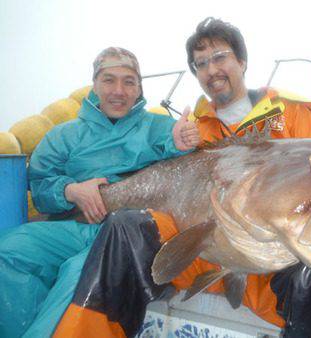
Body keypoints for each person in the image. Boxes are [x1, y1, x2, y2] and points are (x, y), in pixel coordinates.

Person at [156, 17, 311, 337]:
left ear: (242, 61)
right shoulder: (193, 133)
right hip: (215, 264)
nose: (211, 70)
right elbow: (175, 200)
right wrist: (174, 146)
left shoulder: (290, 113)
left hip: (285, 268)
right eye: (201, 64)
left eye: (220, 57)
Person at [0, 47, 200, 338]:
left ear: (139, 87)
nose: (119, 91)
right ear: (94, 84)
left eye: (129, 81)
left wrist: (183, 142)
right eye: (109, 80)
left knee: (78, 274)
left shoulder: (160, 128)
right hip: (73, 229)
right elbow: (41, 185)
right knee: (9, 251)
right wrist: (71, 190)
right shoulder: (63, 135)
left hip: (126, 238)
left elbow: (187, 167)